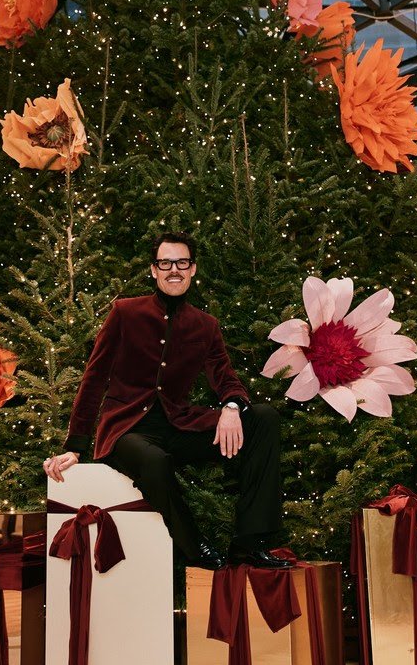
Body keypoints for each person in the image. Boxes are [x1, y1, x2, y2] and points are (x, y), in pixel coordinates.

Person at [43, 231, 290, 569]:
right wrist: (75, 445)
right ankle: (194, 545)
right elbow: (94, 377)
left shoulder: (205, 325)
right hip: (127, 430)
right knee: (155, 461)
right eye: (166, 263)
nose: (174, 269)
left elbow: (224, 375)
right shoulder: (124, 313)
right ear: (154, 270)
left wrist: (232, 407)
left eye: (182, 262)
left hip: (179, 425)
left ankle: (249, 542)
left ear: (193, 269)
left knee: (263, 418)